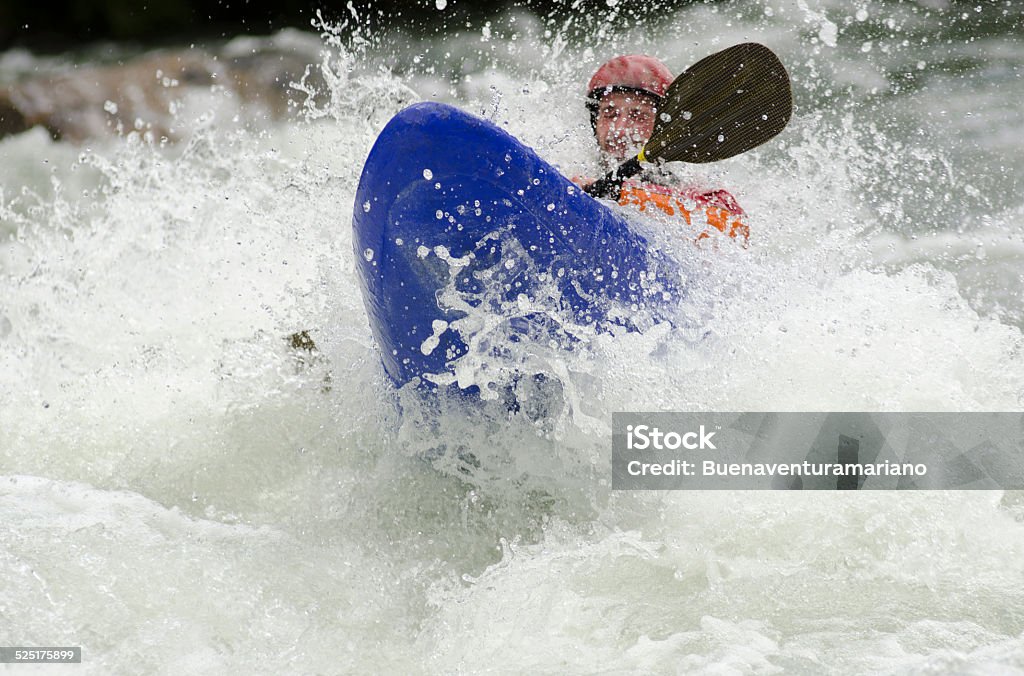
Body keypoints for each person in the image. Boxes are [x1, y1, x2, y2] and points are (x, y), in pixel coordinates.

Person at [581, 54, 749, 245]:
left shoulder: (689, 190)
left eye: (638, 116)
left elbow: (733, 228)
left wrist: (619, 192)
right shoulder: (577, 176)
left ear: (664, 129)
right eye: (610, 114)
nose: (620, 129)